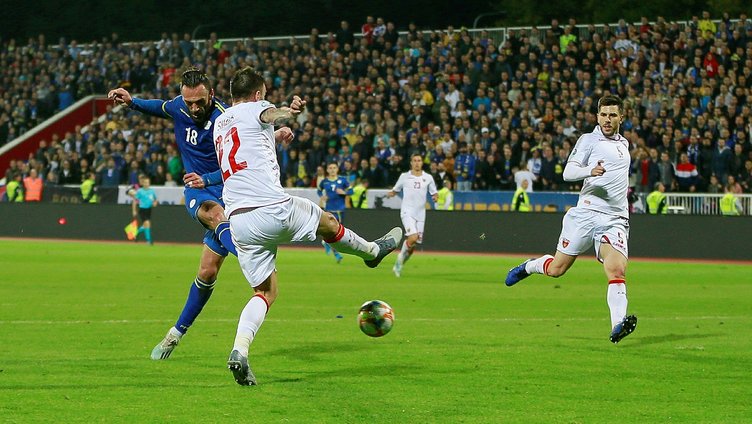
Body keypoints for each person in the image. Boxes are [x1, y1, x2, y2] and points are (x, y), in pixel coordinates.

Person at [215, 67, 402, 386]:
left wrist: (273, 136)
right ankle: (372, 252)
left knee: (265, 292)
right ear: (258, 94)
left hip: (239, 221)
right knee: (328, 222)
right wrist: (288, 113)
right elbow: (269, 113)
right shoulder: (258, 107)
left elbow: (244, 149)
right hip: (271, 208)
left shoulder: (221, 123)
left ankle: (240, 351)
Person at [108, 68, 293, 360]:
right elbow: (159, 107)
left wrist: (275, 133)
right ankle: (250, 256)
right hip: (199, 193)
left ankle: (174, 334)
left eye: (199, 102)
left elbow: (242, 158)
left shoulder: (225, 117)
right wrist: (132, 102)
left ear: (212, 94)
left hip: (228, 191)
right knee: (215, 215)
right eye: (189, 102)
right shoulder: (179, 107)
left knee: (207, 271)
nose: (194, 108)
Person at [505, 95, 638, 344]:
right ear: (597, 116)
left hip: (615, 218)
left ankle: (618, 325)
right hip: (586, 214)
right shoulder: (588, 140)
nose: (607, 119)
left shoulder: (624, 143)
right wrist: (590, 171)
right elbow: (568, 172)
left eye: (612, 115)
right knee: (557, 269)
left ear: (622, 117)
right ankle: (529, 266)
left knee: (616, 269)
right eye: (603, 115)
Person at [387, 153, 439, 278]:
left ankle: (399, 265)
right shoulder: (404, 177)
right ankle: (399, 261)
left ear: (422, 163)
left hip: (421, 215)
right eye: (414, 160)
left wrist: (435, 197)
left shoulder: (428, 178)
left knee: (412, 247)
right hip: (407, 212)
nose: (417, 163)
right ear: (411, 163)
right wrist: (391, 193)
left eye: (419, 160)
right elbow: (395, 190)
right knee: (413, 237)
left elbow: (434, 193)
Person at [317, 162, 353, 263]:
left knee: (337, 233)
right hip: (329, 210)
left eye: (334, 168)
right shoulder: (325, 182)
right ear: (327, 170)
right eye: (330, 168)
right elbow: (319, 190)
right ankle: (337, 254)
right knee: (333, 232)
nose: (332, 170)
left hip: (340, 210)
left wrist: (344, 192)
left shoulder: (343, 180)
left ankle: (326, 243)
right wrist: (322, 196)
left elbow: (351, 191)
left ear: (337, 169)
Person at [130, 175, 158, 244]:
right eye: (145, 182)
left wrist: (155, 203)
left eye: (147, 182)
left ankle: (134, 233)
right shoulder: (140, 191)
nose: (146, 184)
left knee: (146, 225)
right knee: (147, 223)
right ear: (143, 183)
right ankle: (148, 241)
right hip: (142, 209)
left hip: (149, 209)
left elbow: (155, 200)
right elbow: (135, 200)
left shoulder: (152, 191)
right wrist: (134, 210)